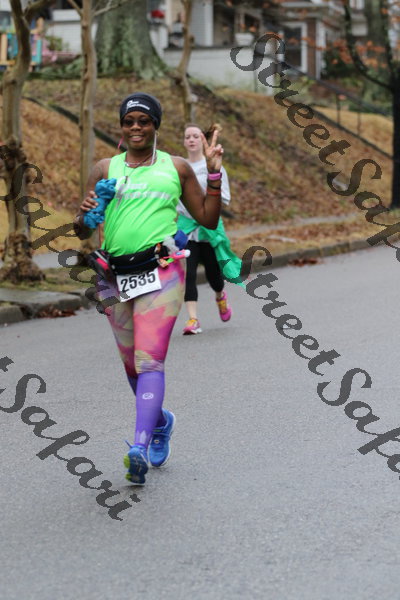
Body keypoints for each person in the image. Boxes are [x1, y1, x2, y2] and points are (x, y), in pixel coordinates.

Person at [74, 92, 224, 485]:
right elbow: (82, 229)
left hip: (163, 270)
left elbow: (207, 218)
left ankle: (138, 447)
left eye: (144, 120)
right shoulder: (104, 168)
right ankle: (160, 423)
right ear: (122, 127)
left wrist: (213, 175)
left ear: (155, 125)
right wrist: (86, 213)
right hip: (113, 276)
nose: (136, 127)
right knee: (131, 366)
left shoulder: (176, 167)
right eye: (129, 121)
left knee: (149, 361)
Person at [177, 123, 240, 335]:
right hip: (186, 228)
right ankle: (192, 319)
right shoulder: (179, 168)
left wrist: (203, 205)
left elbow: (224, 198)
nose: (191, 140)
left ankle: (220, 296)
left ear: (202, 140)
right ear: (184, 141)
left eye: (195, 136)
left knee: (214, 275)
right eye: (188, 137)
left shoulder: (213, 166)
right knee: (188, 274)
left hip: (209, 227)